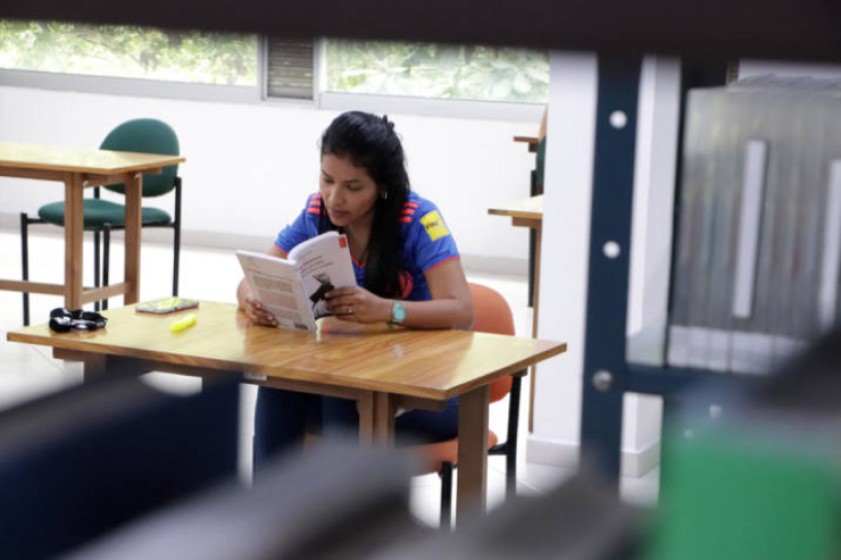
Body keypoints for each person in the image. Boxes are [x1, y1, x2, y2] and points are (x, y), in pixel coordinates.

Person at [237, 110, 474, 471]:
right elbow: (253, 276)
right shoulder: (315, 212)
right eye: (327, 179)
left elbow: (461, 311)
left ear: (382, 186)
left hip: (426, 393)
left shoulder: (419, 219)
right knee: (280, 384)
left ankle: (343, 521)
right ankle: (266, 516)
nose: (335, 198)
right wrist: (252, 298)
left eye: (353, 187)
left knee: (338, 395)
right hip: (354, 383)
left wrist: (385, 309)